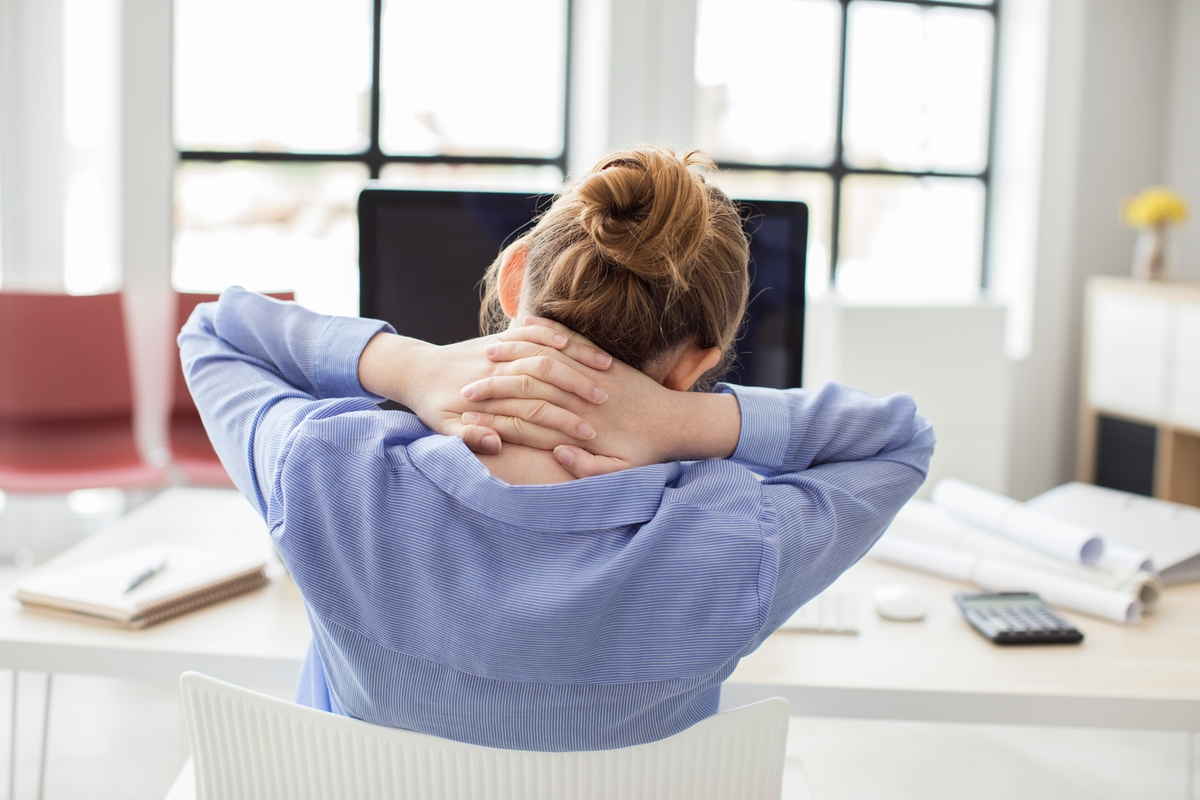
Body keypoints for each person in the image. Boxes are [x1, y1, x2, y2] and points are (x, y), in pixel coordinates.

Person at [178, 146, 935, 752]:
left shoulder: (326, 468)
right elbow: (899, 441)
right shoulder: (739, 542)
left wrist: (409, 365)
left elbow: (217, 333)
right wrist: (681, 420)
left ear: (514, 282)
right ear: (698, 362)